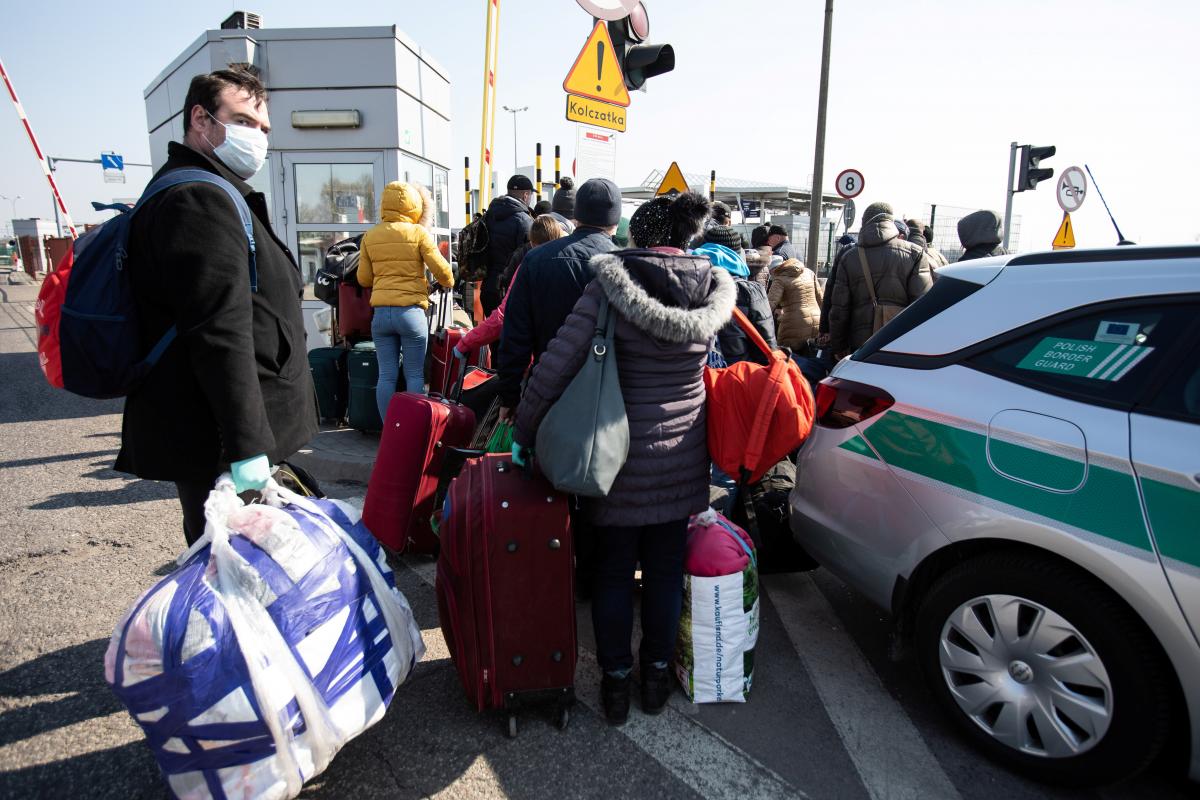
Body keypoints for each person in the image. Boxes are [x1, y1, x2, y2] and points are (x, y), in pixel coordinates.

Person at [512, 191, 736, 724]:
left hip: (612, 460)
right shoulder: (711, 290)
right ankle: (653, 681)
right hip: (681, 461)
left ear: (637, 235)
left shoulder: (609, 287)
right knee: (662, 573)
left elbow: (557, 367)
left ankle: (615, 687)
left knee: (612, 574)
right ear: (685, 237)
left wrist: (524, 429)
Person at [115, 68, 317, 546]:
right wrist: (247, 447)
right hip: (225, 441)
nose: (258, 138)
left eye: (264, 129)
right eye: (244, 121)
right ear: (201, 120)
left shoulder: (212, 190)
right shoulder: (197, 199)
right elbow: (218, 329)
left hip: (229, 432)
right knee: (245, 575)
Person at [496, 178, 621, 418]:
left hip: (546, 386)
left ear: (577, 215)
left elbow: (515, 333)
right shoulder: (625, 263)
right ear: (615, 222)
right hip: (603, 396)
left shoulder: (536, 259)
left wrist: (509, 395)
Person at [357, 181, 454, 412]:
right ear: (414, 206)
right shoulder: (418, 233)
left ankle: (388, 432)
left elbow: (363, 279)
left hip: (380, 316)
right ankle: (412, 429)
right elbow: (443, 271)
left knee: (386, 376)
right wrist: (447, 281)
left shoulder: (370, 236)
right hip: (411, 313)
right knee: (413, 374)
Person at [828, 202, 934, 358]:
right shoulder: (915, 254)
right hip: (900, 343)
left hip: (860, 344)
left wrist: (838, 346)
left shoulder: (849, 257)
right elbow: (923, 306)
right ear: (891, 221)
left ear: (864, 222)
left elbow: (839, 309)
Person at [454, 215, 566, 358]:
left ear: (532, 243)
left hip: (537, 354)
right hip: (572, 353)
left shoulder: (528, 265)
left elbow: (502, 315)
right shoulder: (574, 263)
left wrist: (466, 343)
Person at [693, 241, 777, 365]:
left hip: (699, 375)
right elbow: (766, 347)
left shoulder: (688, 287)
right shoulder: (750, 290)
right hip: (740, 375)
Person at [481, 175, 534, 316]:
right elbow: (528, 259)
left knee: (490, 334)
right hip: (509, 292)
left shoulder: (489, 214)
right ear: (525, 195)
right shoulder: (525, 220)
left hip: (487, 287)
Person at [767, 257, 823, 354]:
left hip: (793, 324)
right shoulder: (809, 272)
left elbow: (769, 305)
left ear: (774, 270)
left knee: (786, 355)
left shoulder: (779, 279)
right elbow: (821, 299)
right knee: (810, 355)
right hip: (816, 320)